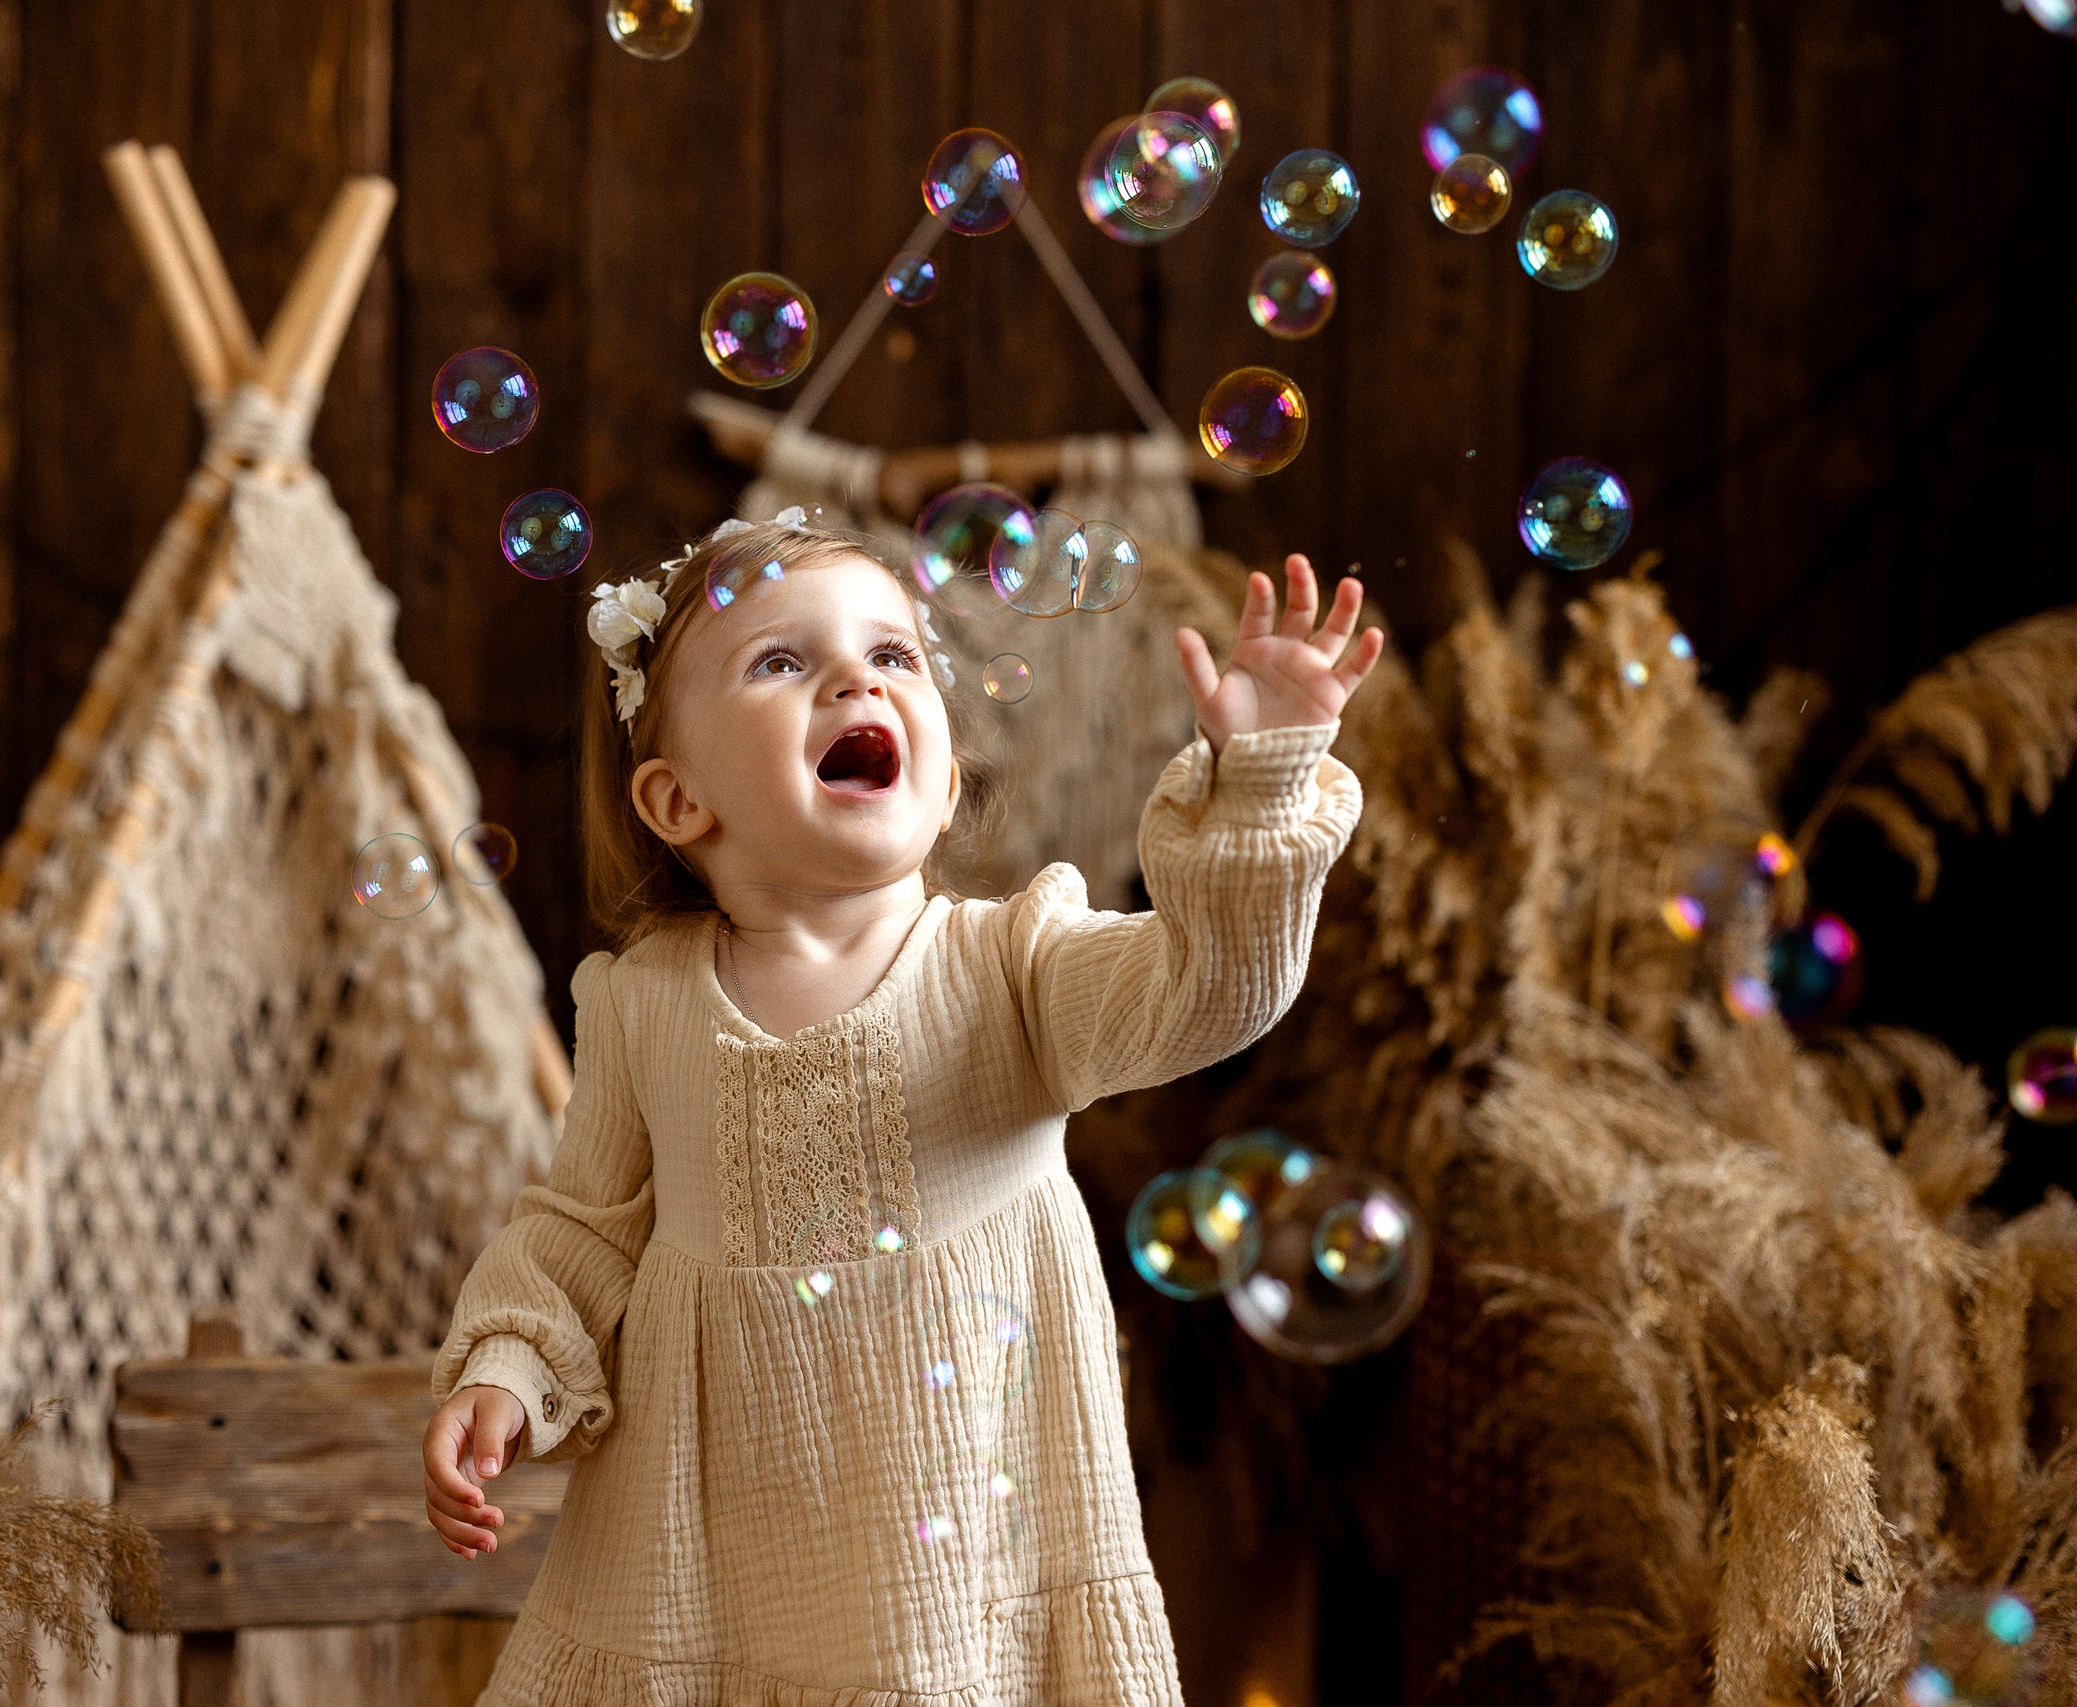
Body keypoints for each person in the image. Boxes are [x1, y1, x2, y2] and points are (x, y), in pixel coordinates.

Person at [422, 511, 1376, 1704]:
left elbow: (1209, 991)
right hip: (700, 1573)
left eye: (894, 655)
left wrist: (1262, 778)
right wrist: (506, 1370)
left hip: (958, 1568)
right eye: (782, 661)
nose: (854, 678)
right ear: (674, 801)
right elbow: (582, 1228)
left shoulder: (1013, 967)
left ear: (942, 777)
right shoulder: (641, 1003)